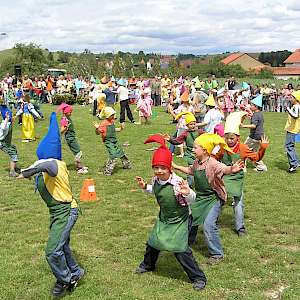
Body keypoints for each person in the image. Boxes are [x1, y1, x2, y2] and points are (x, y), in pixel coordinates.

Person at [17, 112, 84, 297]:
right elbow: (39, 166)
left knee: (52, 250)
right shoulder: (47, 162)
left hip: (66, 211)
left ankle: (65, 279)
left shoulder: (54, 164)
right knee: (61, 246)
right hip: (57, 213)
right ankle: (76, 272)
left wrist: (25, 172)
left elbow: (42, 167)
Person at [135, 134, 207, 291]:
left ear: (169, 168)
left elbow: (192, 200)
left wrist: (188, 192)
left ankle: (198, 277)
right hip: (164, 218)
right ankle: (148, 265)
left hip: (181, 219)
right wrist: (144, 187)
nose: (159, 171)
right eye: (156, 168)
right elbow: (154, 190)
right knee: (153, 242)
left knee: (180, 249)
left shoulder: (177, 183)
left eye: (163, 168)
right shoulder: (156, 180)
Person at [172, 133, 244, 264]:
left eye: (195, 148)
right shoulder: (197, 162)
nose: (192, 150)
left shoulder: (212, 163)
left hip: (213, 198)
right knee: (191, 218)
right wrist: (176, 167)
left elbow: (223, 169)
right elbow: (191, 170)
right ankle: (187, 242)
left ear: (204, 150)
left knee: (208, 224)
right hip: (200, 197)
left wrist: (232, 169)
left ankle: (217, 254)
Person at [221, 112, 269, 235]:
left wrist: (262, 148)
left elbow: (256, 158)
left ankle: (240, 227)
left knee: (238, 202)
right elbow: (213, 159)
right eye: (227, 138)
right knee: (218, 201)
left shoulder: (243, 148)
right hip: (223, 177)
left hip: (237, 179)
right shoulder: (221, 147)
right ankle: (212, 220)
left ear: (238, 137)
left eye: (232, 138)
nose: (229, 141)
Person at [94, 107, 131, 176]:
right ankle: (108, 171)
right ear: (108, 115)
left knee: (121, 152)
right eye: (112, 115)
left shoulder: (112, 122)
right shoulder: (104, 124)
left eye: (114, 115)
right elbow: (98, 133)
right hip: (108, 142)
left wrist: (120, 128)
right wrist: (97, 128)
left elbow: (114, 130)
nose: (114, 116)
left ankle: (127, 165)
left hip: (114, 141)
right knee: (113, 155)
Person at [58, 103, 88, 174]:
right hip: (70, 139)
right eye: (70, 112)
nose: (71, 113)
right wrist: (65, 129)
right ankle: (80, 168)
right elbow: (62, 130)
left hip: (71, 138)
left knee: (77, 152)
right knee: (78, 152)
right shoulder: (65, 120)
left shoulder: (67, 118)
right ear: (65, 112)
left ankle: (80, 166)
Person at [241, 94, 268, 172]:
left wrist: (243, 126)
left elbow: (253, 125)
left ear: (256, 106)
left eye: (252, 105)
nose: (250, 106)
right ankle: (261, 167)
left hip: (254, 137)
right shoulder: (259, 114)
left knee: (243, 149)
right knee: (254, 153)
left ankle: (242, 167)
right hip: (260, 136)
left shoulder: (255, 115)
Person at [0, 98, 20, 177]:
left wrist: (16, 114)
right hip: (2, 143)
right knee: (13, 154)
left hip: (5, 143)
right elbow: (3, 128)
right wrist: (7, 119)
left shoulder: (8, 122)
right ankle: (12, 171)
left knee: (14, 149)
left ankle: (13, 168)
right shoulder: (5, 124)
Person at [284, 90, 300, 172]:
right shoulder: (295, 106)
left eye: (292, 97)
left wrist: (288, 109)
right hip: (292, 129)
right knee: (291, 146)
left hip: (292, 130)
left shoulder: (297, 106)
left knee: (289, 146)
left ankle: (294, 164)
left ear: (296, 99)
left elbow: (295, 116)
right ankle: (296, 162)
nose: (290, 99)